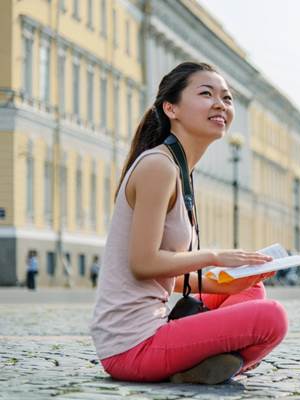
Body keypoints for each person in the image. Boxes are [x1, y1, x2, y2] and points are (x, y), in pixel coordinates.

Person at [90, 62, 288, 385]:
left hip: (153, 328)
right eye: (206, 94)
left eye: (226, 98)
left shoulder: (179, 170)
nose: (220, 104)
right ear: (171, 108)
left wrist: (224, 282)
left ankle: (194, 368)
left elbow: (163, 276)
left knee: (251, 288)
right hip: (132, 346)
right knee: (273, 318)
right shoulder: (159, 167)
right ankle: (195, 368)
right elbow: (143, 263)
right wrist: (215, 257)